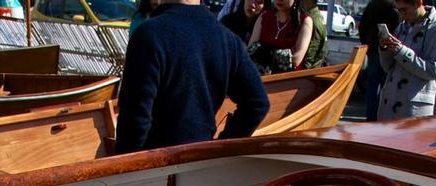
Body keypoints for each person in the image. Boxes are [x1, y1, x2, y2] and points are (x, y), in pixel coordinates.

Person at [115, 0, 269, 153]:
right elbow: (257, 103)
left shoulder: (148, 35)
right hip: (201, 161)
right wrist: (220, 150)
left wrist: (125, 169)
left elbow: (134, 117)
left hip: (156, 166)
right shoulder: (226, 38)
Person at [377, 0, 436, 120]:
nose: (401, 14)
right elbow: (388, 68)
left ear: (418, 3)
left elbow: (434, 71)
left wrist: (402, 52)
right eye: (398, 10)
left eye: (404, 10)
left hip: (413, 109)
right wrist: (384, 49)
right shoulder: (401, 27)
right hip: (389, 105)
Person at [356, 0, 399, 120]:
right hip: (389, 49)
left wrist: (366, 44)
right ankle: (382, 116)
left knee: (372, 85)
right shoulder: (394, 7)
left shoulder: (373, 4)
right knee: (386, 84)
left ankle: (371, 117)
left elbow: (362, 26)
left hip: (373, 49)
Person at [247, 0, 313, 74]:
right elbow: (250, 51)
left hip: (288, 79)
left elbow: (296, 59)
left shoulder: (304, 21)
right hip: (261, 77)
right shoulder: (264, 16)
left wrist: (265, 52)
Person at [301, 0, 327, 68]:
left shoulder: (313, 19)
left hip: (309, 72)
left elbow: (312, 51)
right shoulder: (317, 16)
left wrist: (304, 70)